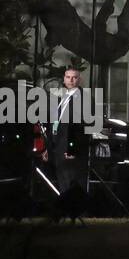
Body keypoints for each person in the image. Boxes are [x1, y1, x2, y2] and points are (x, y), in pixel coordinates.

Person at [47, 67, 88, 200]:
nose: (70, 80)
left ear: (79, 80)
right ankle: (68, 212)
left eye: (74, 77)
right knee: (63, 183)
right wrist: (49, 147)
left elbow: (80, 127)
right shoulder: (62, 98)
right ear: (64, 79)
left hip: (71, 149)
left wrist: (72, 149)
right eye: (68, 77)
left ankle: (78, 214)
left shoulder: (82, 99)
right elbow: (55, 123)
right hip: (58, 147)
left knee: (74, 182)